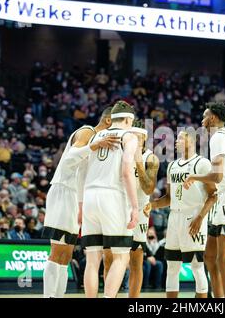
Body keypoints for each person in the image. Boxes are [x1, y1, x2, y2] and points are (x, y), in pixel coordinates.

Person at [41, 106, 118, 298]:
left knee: (66, 255)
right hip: (64, 191)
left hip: (76, 197)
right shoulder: (87, 132)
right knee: (57, 250)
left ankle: (58, 295)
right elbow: (68, 159)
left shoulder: (100, 143)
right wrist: (95, 145)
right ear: (108, 121)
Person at [184, 102, 225, 298]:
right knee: (210, 256)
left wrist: (194, 177)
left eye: (205, 116)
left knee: (223, 258)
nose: (202, 120)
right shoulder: (223, 138)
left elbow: (217, 176)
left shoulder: (219, 138)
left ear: (212, 118)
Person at [146, 131, 217, 298]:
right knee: (172, 266)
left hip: (193, 215)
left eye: (179, 139)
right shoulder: (172, 165)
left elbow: (213, 195)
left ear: (191, 141)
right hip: (174, 217)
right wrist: (152, 205)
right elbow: (169, 198)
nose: (175, 142)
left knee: (196, 265)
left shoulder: (202, 164)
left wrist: (200, 218)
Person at [81, 101, 139, 298]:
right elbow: (126, 173)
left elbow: (82, 169)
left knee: (92, 259)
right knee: (121, 256)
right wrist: (135, 206)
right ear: (128, 119)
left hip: (89, 195)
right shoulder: (129, 136)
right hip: (113, 196)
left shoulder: (95, 136)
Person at [104, 121, 160, 298]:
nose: (136, 140)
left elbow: (149, 189)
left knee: (136, 261)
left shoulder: (151, 158)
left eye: (139, 137)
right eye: (132, 136)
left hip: (140, 209)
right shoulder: (118, 154)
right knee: (110, 259)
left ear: (144, 139)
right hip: (118, 206)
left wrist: (137, 161)